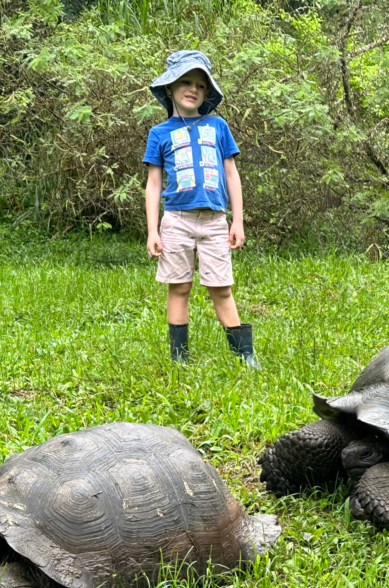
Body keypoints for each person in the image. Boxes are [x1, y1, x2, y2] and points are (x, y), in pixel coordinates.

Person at [143, 50, 260, 368]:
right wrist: (153, 229)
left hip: (214, 221)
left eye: (200, 83)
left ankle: (244, 356)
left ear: (207, 92)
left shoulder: (218, 127)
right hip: (177, 221)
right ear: (170, 88)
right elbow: (154, 184)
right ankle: (179, 357)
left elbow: (232, 174)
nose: (192, 88)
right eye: (185, 82)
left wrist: (238, 221)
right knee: (179, 286)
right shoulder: (159, 134)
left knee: (221, 288)